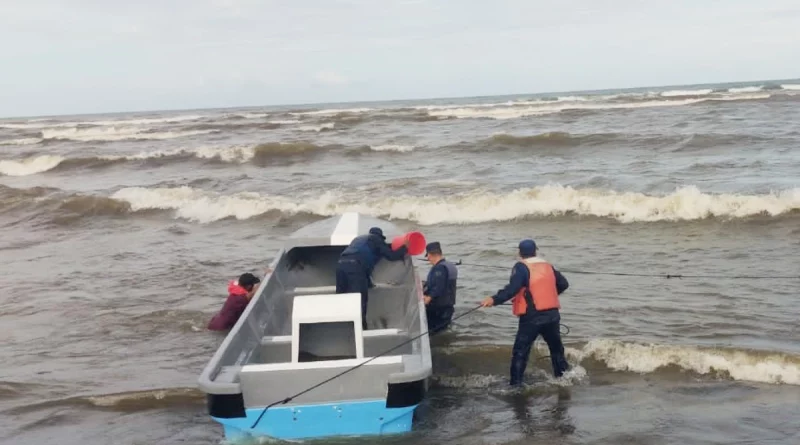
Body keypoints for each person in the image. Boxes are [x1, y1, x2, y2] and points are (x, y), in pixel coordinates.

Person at [480, 239, 571, 386]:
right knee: (556, 349)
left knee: (520, 351)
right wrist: (546, 296)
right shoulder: (547, 266)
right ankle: (563, 379)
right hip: (552, 315)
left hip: (532, 317)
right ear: (535, 250)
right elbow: (563, 284)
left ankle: (516, 385)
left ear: (520, 253)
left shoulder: (521, 267)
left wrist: (493, 299)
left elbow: (512, 289)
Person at [336, 227, 409, 330]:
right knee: (361, 300)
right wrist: (405, 247)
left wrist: (369, 284)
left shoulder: (358, 240)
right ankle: (361, 329)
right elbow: (391, 256)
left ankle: (338, 325)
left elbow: (363, 266)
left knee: (340, 297)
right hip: (355, 266)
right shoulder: (376, 239)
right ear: (380, 236)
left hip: (340, 265)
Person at [422, 242, 458, 334]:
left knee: (432, 333)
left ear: (430, 254)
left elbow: (439, 286)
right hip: (447, 307)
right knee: (442, 333)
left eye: (428, 256)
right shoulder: (449, 265)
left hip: (438, 309)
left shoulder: (439, 268)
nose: (428, 259)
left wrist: (428, 297)